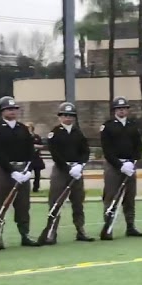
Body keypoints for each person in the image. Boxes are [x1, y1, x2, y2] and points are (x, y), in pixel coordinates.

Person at [0, 96, 41, 249]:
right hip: (1, 169)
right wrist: (11, 171)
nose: (12, 111)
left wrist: (28, 169)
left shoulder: (22, 128)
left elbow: (30, 150)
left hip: (21, 168)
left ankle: (25, 234)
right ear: (2, 111)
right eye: (9, 109)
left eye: (14, 109)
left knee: (23, 204)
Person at [44, 102, 95, 243]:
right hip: (61, 170)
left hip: (76, 170)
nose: (68, 118)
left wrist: (80, 165)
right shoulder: (54, 133)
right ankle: (52, 231)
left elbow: (85, 151)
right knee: (56, 201)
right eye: (65, 115)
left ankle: (80, 230)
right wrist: (68, 168)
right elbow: (55, 154)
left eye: (71, 115)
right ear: (60, 117)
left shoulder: (78, 133)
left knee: (78, 201)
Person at [100, 96, 142, 239]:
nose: (122, 111)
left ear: (127, 110)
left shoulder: (133, 125)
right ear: (115, 110)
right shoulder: (107, 126)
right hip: (114, 166)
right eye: (119, 108)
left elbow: (138, 146)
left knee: (130, 197)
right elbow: (107, 150)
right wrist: (120, 165)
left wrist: (132, 161)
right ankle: (108, 227)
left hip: (130, 165)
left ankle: (130, 226)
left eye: (124, 108)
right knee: (111, 196)